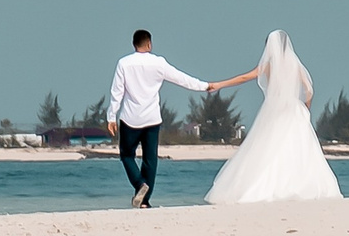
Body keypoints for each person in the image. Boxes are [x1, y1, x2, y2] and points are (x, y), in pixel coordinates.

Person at [106, 29, 256, 208]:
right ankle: (145, 201)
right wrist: (205, 86)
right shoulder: (158, 63)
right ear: (149, 44)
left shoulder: (124, 63)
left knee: (127, 155)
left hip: (130, 118)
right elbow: (181, 78)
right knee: (150, 159)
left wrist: (111, 117)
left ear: (134, 44)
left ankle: (140, 185)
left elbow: (117, 92)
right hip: (152, 118)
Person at [205, 31, 342, 204]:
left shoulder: (270, 65)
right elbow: (309, 90)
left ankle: (272, 186)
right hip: (295, 110)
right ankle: (303, 185)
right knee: (299, 150)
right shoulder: (296, 65)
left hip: (276, 109)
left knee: (271, 147)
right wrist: (306, 108)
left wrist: (219, 84)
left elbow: (245, 77)